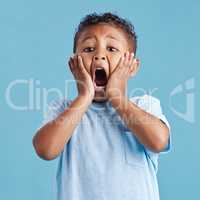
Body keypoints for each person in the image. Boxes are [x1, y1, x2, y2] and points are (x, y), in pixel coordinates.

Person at [32, 12, 171, 200]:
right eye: (89, 49)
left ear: (132, 66)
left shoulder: (144, 105)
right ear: (74, 63)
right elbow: (46, 150)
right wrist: (84, 96)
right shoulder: (63, 110)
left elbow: (159, 141)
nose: (99, 56)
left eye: (112, 49)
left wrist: (117, 96)